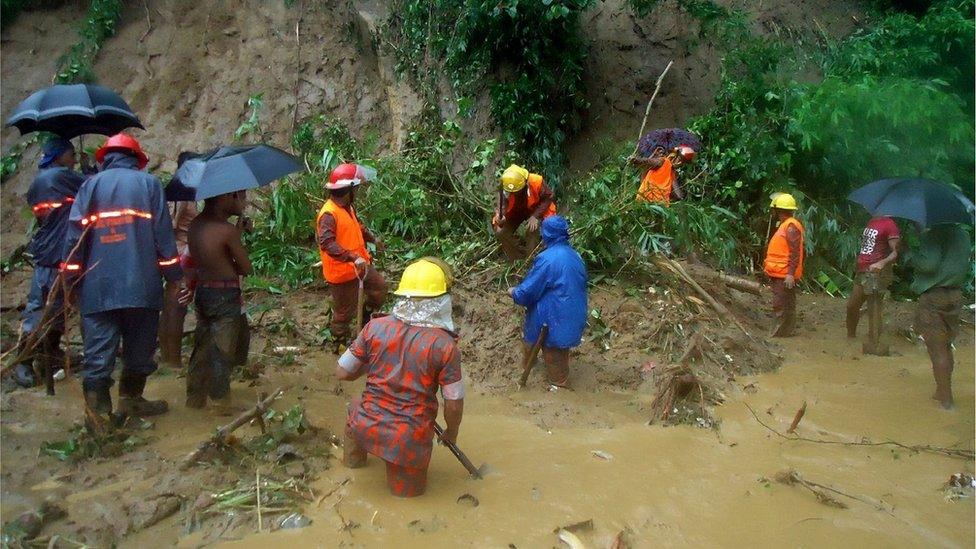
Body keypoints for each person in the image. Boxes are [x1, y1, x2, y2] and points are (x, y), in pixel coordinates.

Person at [62, 133, 185, 420]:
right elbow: (163, 238)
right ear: (137, 160)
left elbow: (74, 239)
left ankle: (99, 417)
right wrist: (174, 276)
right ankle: (131, 400)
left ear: (105, 158)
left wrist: (69, 282)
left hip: (97, 287)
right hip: (142, 286)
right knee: (140, 350)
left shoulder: (89, 186)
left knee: (98, 354)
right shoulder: (150, 184)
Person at [336, 258, 463, 497]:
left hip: (365, 424)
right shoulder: (445, 347)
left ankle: (353, 464)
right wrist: (451, 432)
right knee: (406, 502)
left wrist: (372, 363)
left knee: (354, 409)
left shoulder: (375, 327)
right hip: (406, 439)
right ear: (441, 301)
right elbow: (454, 403)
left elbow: (342, 372)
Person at [12, 138, 89, 388]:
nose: (75, 156)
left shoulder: (42, 179)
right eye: (71, 153)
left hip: (53, 249)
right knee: (43, 307)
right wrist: (89, 171)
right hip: (56, 252)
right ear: (60, 155)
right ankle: (22, 361)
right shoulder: (59, 176)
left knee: (56, 307)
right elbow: (93, 188)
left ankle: (49, 355)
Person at [185, 190, 252, 408]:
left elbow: (209, 258)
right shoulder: (226, 230)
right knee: (222, 351)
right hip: (225, 295)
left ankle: (194, 399)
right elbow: (246, 268)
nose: (242, 202)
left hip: (204, 292)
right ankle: (220, 403)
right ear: (224, 198)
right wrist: (237, 237)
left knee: (202, 347)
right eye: (238, 197)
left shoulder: (195, 225)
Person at [508, 215, 588, 388]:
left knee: (557, 372)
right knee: (549, 348)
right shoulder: (576, 256)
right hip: (573, 316)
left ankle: (558, 389)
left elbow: (527, 292)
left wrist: (514, 292)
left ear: (546, 235)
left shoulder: (547, 259)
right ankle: (536, 369)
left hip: (555, 319)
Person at [315, 162, 387, 352]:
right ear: (349, 189)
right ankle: (338, 348)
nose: (358, 192)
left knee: (379, 289)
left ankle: (364, 324)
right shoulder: (329, 214)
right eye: (356, 188)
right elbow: (327, 243)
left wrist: (373, 239)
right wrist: (352, 257)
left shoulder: (347, 208)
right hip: (343, 272)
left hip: (361, 266)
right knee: (343, 314)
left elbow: (356, 227)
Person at [910, 223, 971, 410]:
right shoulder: (963, 234)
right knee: (945, 345)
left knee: (937, 348)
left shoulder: (934, 234)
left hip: (934, 296)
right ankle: (941, 391)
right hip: (955, 295)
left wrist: (910, 254)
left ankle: (946, 400)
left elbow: (928, 265)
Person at [157, 152, 201, 369]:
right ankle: (172, 360)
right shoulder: (182, 191)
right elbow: (171, 225)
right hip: (182, 253)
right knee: (176, 306)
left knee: (171, 305)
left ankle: (168, 357)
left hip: (180, 252)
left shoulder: (181, 190)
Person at [846, 216, 900, 353]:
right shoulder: (872, 221)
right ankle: (851, 336)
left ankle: (874, 343)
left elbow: (896, 252)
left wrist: (881, 263)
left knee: (874, 308)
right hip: (863, 270)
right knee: (852, 305)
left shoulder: (890, 225)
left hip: (877, 272)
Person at [492, 164, 556, 261]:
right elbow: (502, 203)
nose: (514, 194)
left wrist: (535, 216)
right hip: (516, 211)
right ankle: (517, 258)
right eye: (512, 192)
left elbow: (548, 197)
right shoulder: (506, 186)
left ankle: (531, 260)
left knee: (532, 229)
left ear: (525, 184)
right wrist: (501, 215)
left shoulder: (536, 181)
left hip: (535, 209)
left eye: (517, 191)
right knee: (501, 232)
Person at [763, 192, 804, 337]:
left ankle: (779, 333)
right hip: (780, 273)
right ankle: (785, 331)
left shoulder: (791, 227)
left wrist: (790, 275)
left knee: (780, 303)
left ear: (778, 210)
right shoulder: (786, 225)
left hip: (785, 274)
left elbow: (794, 253)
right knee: (786, 302)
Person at [630, 146, 695, 205]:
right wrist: (636, 160)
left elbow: (678, 193)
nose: (680, 163)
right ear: (674, 155)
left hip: (660, 205)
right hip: (646, 201)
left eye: (683, 162)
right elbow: (649, 162)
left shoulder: (672, 172)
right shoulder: (663, 161)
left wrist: (684, 198)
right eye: (680, 159)